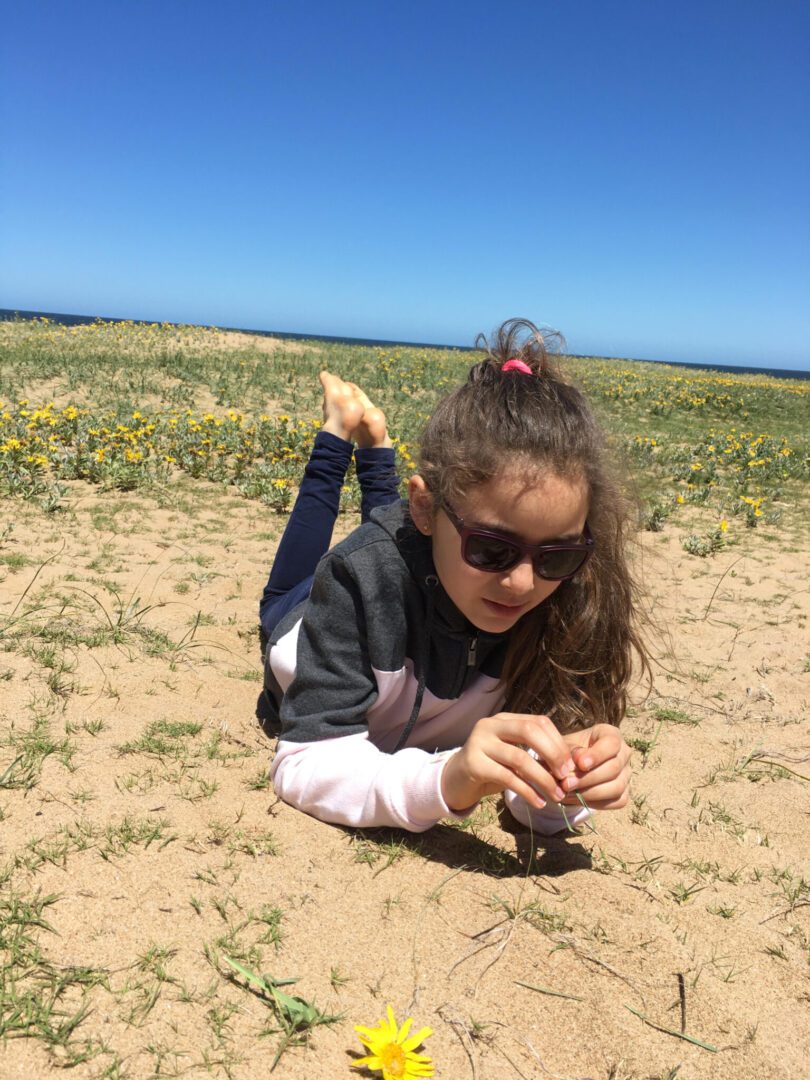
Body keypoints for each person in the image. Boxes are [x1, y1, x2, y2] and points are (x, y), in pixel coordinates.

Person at [259, 319, 648, 835]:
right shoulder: (358, 574)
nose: (523, 584)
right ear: (428, 506)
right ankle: (338, 430)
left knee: (409, 537)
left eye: (556, 555)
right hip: (305, 614)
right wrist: (447, 779)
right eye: (492, 549)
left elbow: (532, 796)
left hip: (424, 549)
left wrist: (567, 784)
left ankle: (376, 441)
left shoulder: (568, 596)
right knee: (302, 580)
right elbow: (305, 765)